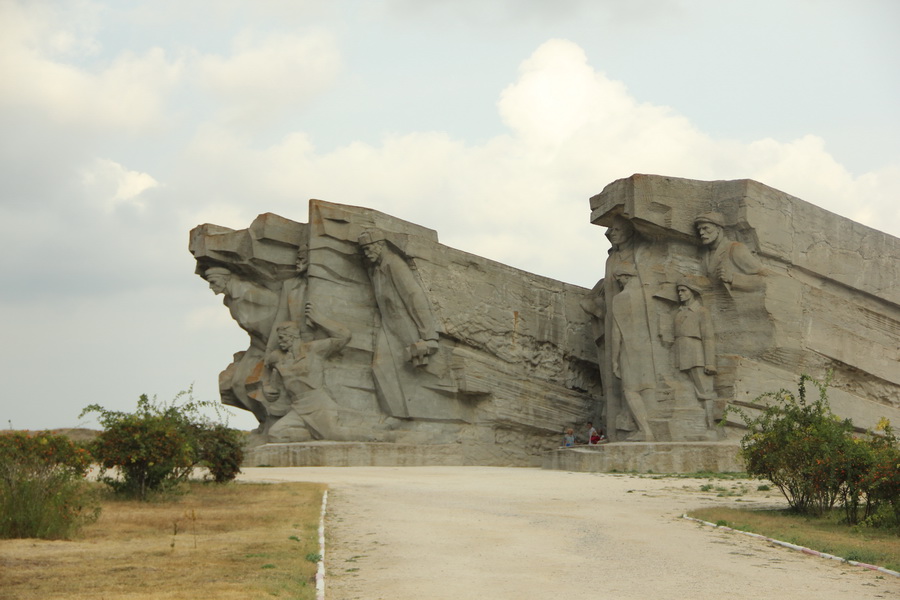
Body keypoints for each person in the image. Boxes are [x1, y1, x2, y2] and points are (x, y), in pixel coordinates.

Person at [610, 266, 656, 441]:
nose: (618, 282)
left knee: (630, 390)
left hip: (629, 349)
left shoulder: (621, 298)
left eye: (619, 278)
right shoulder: (646, 296)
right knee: (646, 388)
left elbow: (616, 331)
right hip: (647, 348)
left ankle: (646, 430)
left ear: (625, 277)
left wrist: (614, 359)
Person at [674, 278, 718, 427]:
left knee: (704, 390)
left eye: (683, 290)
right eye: (678, 291)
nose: (680, 294)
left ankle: (710, 423)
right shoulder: (679, 312)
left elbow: (708, 337)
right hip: (680, 354)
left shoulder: (701, 311)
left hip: (696, 354)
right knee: (688, 390)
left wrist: (710, 362)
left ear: (692, 292)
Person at [694, 212, 765, 293]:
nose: (701, 233)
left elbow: (763, 281)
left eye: (705, 228)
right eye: (699, 229)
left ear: (718, 228)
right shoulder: (704, 254)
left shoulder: (735, 248)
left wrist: (732, 278)